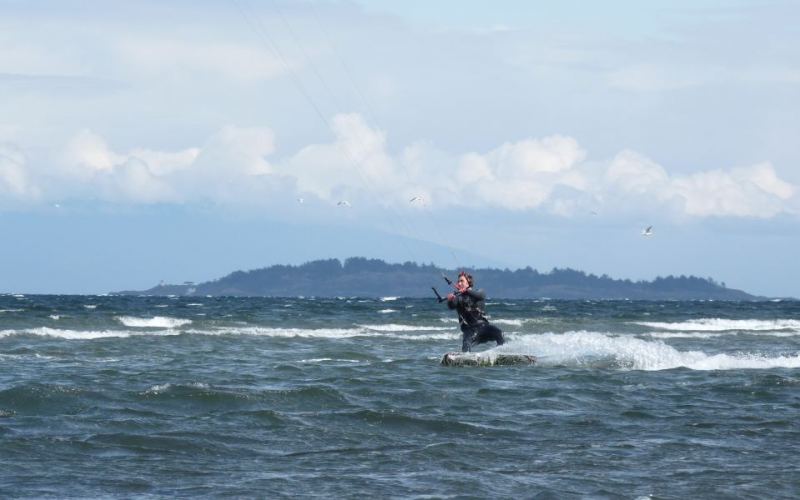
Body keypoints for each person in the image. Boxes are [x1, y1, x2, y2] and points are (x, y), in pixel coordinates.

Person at [446, 271, 504, 352]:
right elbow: (451, 306)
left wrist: (466, 291)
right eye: (458, 281)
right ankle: (465, 358)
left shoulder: (479, 292)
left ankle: (501, 352)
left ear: (468, 282)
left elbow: (481, 296)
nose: (459, 283)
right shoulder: (458, 298)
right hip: (470, 330)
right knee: (466, 343)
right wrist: (450, 300)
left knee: (499, 333)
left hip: (484, 327)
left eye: (462, 281)